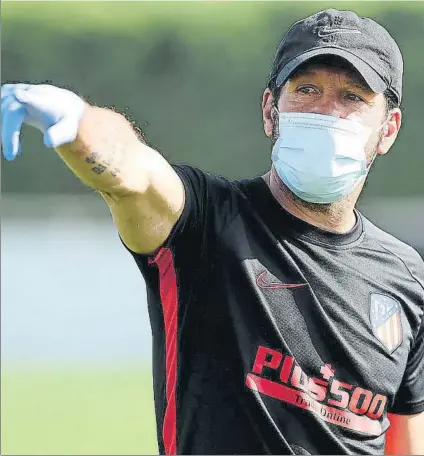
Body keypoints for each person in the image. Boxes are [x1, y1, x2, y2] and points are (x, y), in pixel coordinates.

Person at [2, 8, 423, 455]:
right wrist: (78, 121)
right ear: (270, 110)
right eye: (307, 89)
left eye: (352, 97)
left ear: (388, 129)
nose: (327, 113)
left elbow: (404, 443)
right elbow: (133, 171)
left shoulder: (408, 278)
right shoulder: (203, 221)